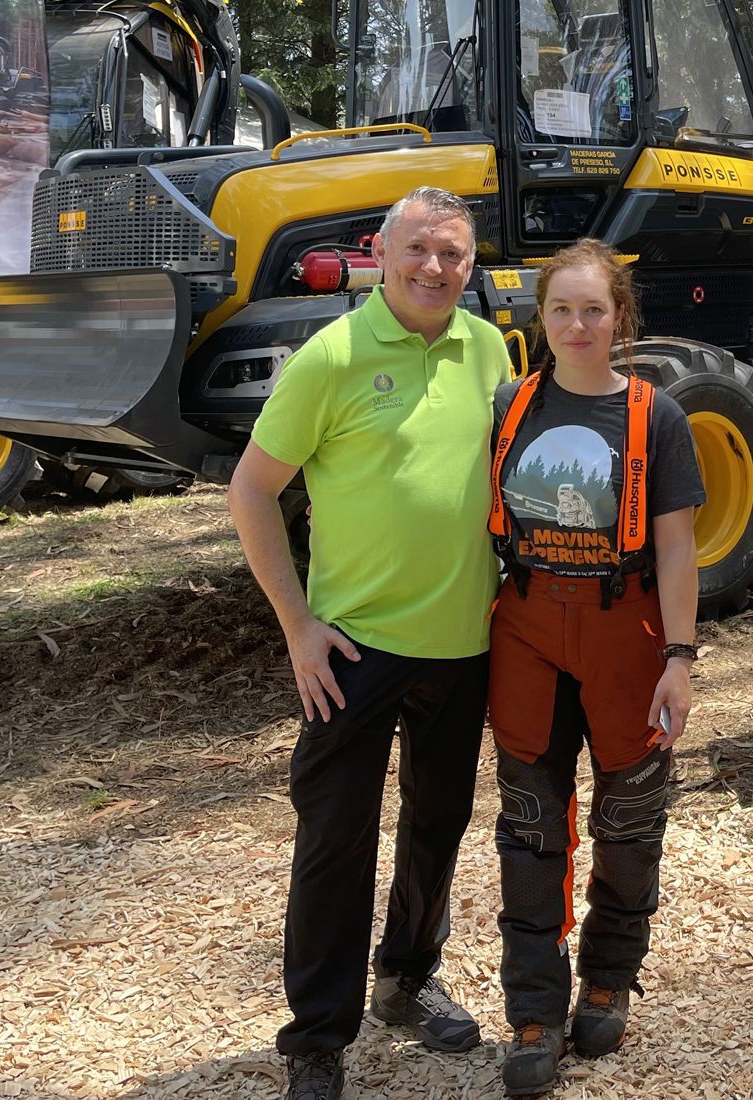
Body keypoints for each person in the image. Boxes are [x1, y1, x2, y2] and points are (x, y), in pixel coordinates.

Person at [227, 187, 510, 1100]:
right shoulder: (332, 357)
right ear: (380, 255)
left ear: (471, 267)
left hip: (462, 641)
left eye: (454, 255)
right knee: (334, 844)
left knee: (437, 825)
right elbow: (251, 491)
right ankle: (315, 1036)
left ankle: (407, 977)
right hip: (352, 653)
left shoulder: (488, 349)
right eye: (420, 250)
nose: (436, 269)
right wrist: (299, 628)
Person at [486, 238, 704, 1097]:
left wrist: (680, 659)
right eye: (561, 310)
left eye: (594, 310)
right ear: (539, 318)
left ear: (620, 319)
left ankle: (609, 976)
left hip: (627, 631)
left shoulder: (660, 417)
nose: (577, 326)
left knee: (629, 819)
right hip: (529, 627)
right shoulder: (510, 407)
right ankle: (532, 1012)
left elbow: (679, 550)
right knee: (530, 826)